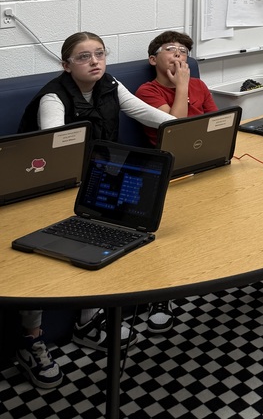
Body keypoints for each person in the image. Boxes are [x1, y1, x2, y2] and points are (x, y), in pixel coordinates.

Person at [15, 31, 171, 391]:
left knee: (114, 235)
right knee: (39, 258)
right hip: (47, 187)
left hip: (94, 180)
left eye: (100, 54)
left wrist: (187, 129)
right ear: (66, 64)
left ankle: (88, 321)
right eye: (84, 57)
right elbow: (57, 149)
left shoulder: (110, 85)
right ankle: (31, 340)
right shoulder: (53, 97)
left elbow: (147, 115)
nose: (95, 62)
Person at [135, 30, 263, 318]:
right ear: (153, 59)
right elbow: (176, 127)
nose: (179, 55)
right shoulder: (147, 91)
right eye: (171, 49)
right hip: (175, 174)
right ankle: (163, 294)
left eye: (184, 52)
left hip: (213, 162)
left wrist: (190, 86)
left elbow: (220, 124)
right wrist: (182, 86)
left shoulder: (198, 84)